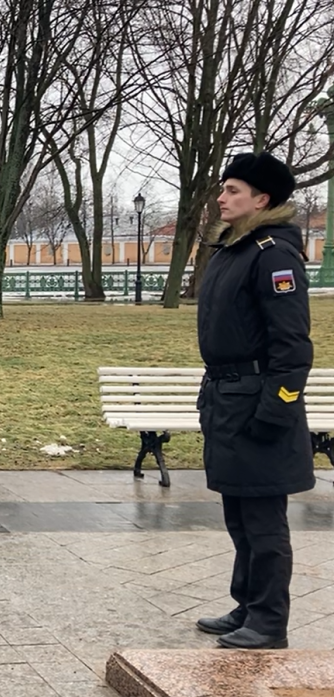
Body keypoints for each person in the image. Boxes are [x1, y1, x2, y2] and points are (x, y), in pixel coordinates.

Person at [195, 151, 315, 650]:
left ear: (262, 199)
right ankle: (246, 605)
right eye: (223, 189)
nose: (221, 198)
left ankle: (269, 622)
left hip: (258, 405)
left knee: (264, 521)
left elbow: (293, 347)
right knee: (240, 516)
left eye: (233, 190)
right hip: (228, 401)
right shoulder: (235, 249)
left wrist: (276, 409)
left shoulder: (273, 254)